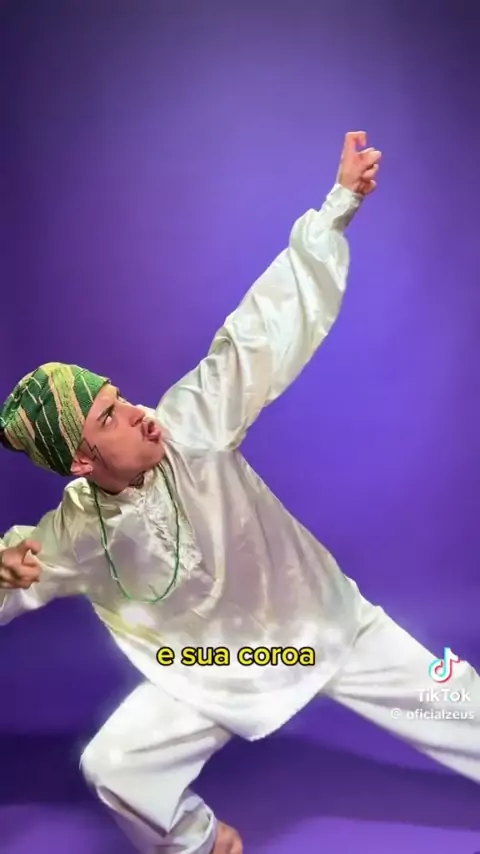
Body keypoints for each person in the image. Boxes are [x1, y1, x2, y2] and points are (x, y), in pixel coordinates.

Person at [0, 132, 478, 854]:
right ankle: (201, 843)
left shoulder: (190, 423)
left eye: (119, 396)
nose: (135, 412)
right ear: (80, 460)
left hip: (320, 624)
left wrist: (338, 204)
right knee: (115, 766)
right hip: (215, 671)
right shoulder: (75, 532)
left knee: (457, 701)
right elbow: (18, 574)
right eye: (109, 417)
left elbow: (260, 333)